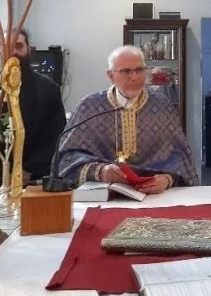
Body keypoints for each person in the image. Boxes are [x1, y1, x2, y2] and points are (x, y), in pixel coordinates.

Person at [54, 45, 198, 193]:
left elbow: (180, 156)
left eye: (139, 70)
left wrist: (167, 179)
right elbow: (67, 157)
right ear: (110, 76)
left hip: (155, 193)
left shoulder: (162, 105)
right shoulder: (89, 107)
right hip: (105, 193)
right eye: (126, 71)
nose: (134, 77)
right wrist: (100, 171)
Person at [0, 28, 66, 191]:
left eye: (19, 46)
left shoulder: (48, 89)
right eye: (7, 46)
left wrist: (29, 169)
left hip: (32, 180)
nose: (14, 52)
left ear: (28, 49)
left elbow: (56, 135)